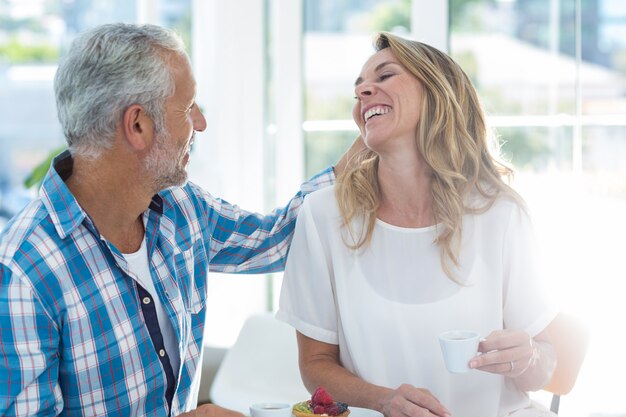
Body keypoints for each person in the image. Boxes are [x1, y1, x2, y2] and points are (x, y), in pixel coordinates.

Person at [0, 23, 361, 417]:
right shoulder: (23, 274)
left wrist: (369, 142)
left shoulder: (180, 207)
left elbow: (276, 239)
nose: (201, 123)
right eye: (188, 108)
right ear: (137, 124)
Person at [277, 32, 587, 417]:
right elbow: (315, 364)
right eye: (358, 90)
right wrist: (382, 399)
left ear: (438, 92)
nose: (363, 94)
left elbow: (546, 366)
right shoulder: (324, 216)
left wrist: (527, 360)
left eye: (385, 76)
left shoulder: (501, 214)